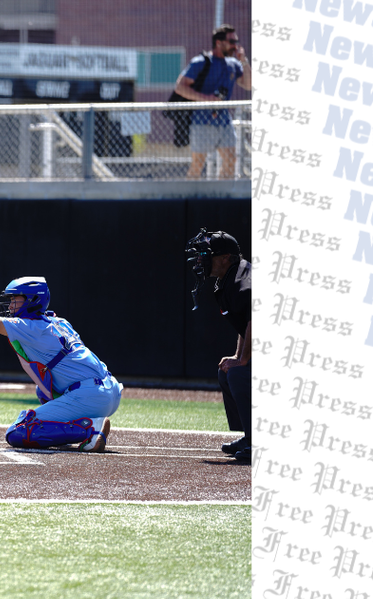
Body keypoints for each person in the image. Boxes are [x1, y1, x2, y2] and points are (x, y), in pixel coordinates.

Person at [0, 276, 120, 452]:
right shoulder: (59, 321)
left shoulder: (29, 326)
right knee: (42, 389)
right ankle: (80, 425)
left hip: (90, 396)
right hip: (109, 388)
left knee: (17, 432)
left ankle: (90, 429)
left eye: (15, 299)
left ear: (32, 300)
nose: (11, 304)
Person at [186, 229, 251, 463]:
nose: (201, 259)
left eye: (207, 254)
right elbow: (245, 324)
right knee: (228, 372)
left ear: (225, 258)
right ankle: (250, 435)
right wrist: (237, 356)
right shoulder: (230, 277)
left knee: (238, 374)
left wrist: (243, 361)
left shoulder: (241, 278)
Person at [174, 24, 251, 179]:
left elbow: (248, 85)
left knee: (231, 159)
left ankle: (221, 196)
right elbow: (179, 87)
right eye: (231, 41)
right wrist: (207, 99)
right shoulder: (200, 62)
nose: (235, 45)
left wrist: (244, 60)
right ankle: (188, 198)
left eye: (236, 41)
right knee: (198, 164)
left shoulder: (234, 65)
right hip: (201, 121)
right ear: (218, 42)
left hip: (224, 121)